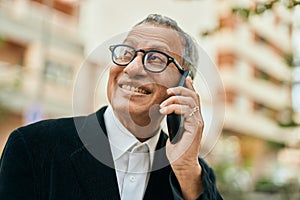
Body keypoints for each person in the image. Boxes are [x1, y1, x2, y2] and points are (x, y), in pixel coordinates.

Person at [0, 14, 223, 199]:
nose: (133, 68)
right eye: (126, 53)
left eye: (156, 58)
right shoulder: (32, 146)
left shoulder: (194, 174)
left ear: (184, 84)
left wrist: (186, 171)